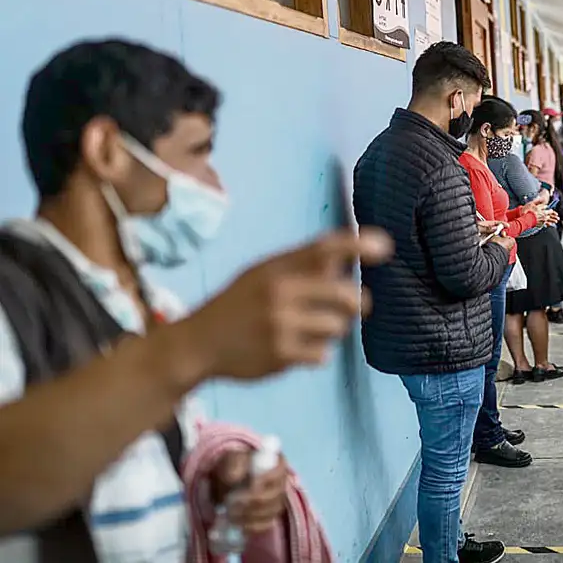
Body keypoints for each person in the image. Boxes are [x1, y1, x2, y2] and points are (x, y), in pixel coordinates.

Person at [0, 39, 392, 561]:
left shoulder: (149, 305)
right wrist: (191, 348)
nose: (214, 187)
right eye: (197, 155)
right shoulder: (14, 295)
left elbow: (139, 459)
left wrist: (217, 482)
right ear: (108, 150)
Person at [352, 41, 512, 563]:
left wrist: (471, 230)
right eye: (472, 103)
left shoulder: (377, 152)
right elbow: (464, 275)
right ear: (457, 97)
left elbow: (410, 242)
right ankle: (443, 556)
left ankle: (454, 543)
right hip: (444, 344)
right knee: (446, 470)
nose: (472, 114)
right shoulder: (441, 165)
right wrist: (503, 248)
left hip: (402, 333)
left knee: (438, 458)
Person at [459, 97, 558, 468]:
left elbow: (499, 215)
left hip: (502, 264)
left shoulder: (484, 164)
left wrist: (526, 211)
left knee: (489, 357)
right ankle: (487, 437)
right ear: (486, 130)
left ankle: (492, 426)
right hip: (491, 266)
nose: (511, 139)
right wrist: (527, 221)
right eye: (506, 132)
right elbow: (492, 229)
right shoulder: (470, 167)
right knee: (486, 360)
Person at [504, 112, 563, 383]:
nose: (514, 136)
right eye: (510, 131)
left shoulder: (479, 161)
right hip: (532, 232)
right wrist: (545, 192)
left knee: (511, 307)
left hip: (506, 237)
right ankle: (542, 364)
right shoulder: (515, 160)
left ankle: (520, 365)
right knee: (535, 306)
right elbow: (532, 197)